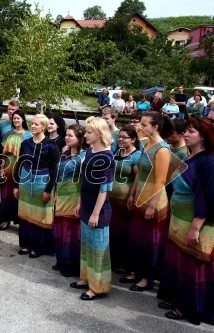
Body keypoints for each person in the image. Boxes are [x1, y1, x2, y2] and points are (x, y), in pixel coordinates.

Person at [157, 117, 214, 326]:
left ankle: (192, 308)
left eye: (191, 132)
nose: (186, 134)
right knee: (179, 263)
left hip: (196, 222)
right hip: (180, 219)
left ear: (203, 136)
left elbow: (208, 195)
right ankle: (179, 299)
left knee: (192, 266)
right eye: (185, 131)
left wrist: (196, 226)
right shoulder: (191, 156)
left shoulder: (208, 161)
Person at [123, 111, 175, 292]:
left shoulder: (162, 149)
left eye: (144, 125)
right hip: (140, 197)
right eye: (141, 123)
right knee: (137, 239)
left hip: (153, 200)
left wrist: (152, 205)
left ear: (156, 127)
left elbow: (161, 180)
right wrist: (131, 195)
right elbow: (140, 173)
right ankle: (137, 271)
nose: (140, 127)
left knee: (150, 241)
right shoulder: (146, 144)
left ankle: (147, 277)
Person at [69, 117, 115, 300]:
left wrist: (96, 213)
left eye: (89, 132)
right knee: (87, 245)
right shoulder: (89, 151)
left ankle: (98, 286)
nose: (85, 135)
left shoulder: (107, 156)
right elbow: (83, 181)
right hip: (86, 203)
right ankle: (86, 278)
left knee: (98, 248)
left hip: (100, 209)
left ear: (99, 133)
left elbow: (104, 188)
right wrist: (80, 203)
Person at [13, 114, 60, 258]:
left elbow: (54, 169)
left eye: (36, 124)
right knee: (26, 215)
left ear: (44, 127)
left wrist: (48, 190)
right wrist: (16, 185)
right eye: (32, 123)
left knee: (40, 216)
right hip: (26, 184)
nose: (33, 126)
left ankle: (40, 247)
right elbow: (19, 163)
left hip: (42, 184)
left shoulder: (51, 146)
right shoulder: (25, 143)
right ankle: (26, 244)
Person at [52, 124, 87, 277]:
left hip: (74, 197)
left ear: (79, 139)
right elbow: (58, 176)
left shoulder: (85, 156)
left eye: (70, 135)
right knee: (60, 230)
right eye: (66, 134)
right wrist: (56, 195)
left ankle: (72, 265)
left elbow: (85, 182)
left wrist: (80, 202)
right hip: (61, 196)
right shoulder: (65, 152)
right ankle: (61, 260)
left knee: (73, 233)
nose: (66, 138)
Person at [108, 126, 141, 274]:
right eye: (119, 136)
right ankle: (112, 260)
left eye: (124, 137)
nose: (120, 139)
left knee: (122, 232)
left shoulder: (137, 155)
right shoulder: (117, 152)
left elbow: (138, 178)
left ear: (133, 140)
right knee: (112, 231)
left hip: (124, 200)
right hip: (111, 199)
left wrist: (132, 195)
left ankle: (122, 263)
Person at [0, 110, 32, 231]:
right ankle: (6, 220)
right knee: (6, 194)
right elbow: (3, 154)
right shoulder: (7, 134)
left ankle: (20, 220)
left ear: (23, 119)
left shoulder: (29, 135)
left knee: (20, 195)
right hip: (7, 167)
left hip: (22, 168)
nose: (16, 120)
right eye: (14, 118)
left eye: (18, 118)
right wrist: (1, 168)